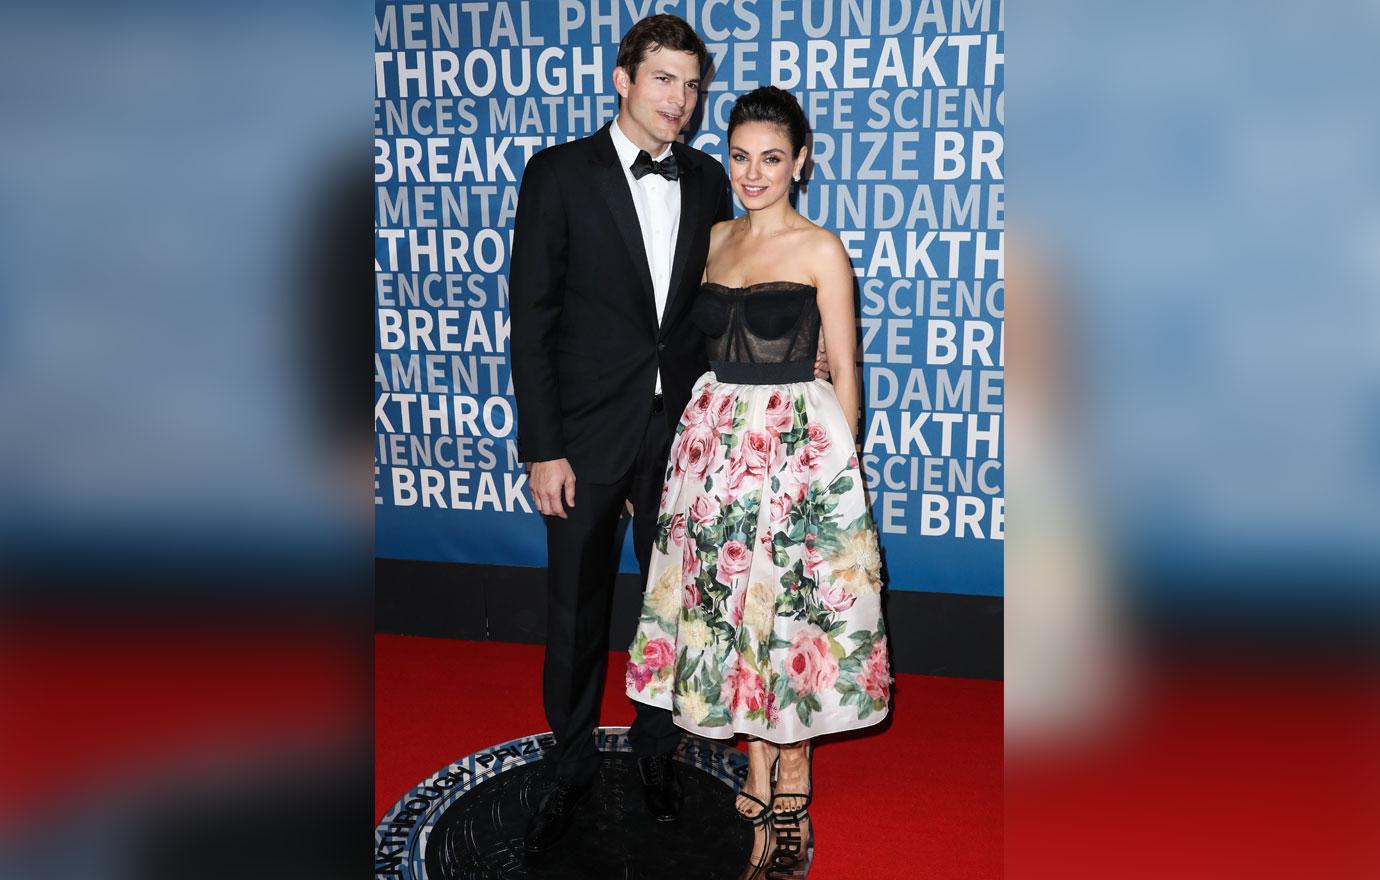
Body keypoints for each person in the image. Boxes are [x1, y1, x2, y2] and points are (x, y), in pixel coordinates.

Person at [625, 86, 891, 868]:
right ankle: (753, 753)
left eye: (772, 158)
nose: (753, 172)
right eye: (741, 156)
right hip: (711, 449)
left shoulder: (820, 249)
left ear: (800, 162)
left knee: (789, 606)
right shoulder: (711, 240)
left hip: (796, 453)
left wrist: (838, 476)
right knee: (727, 602)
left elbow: (847, 372)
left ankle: (793, 761)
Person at [508, 14, 732, 854]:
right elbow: (531, 320)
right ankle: (565, 767)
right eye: (664, 79)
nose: (680, 99)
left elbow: (720, 304)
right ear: (623, 78)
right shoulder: (558, 174)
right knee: (575, 609)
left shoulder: (709, 180)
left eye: (692, 84)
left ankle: (657, 750)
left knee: (671, 603)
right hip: (583, 438)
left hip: (681, 435)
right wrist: (542, 446)